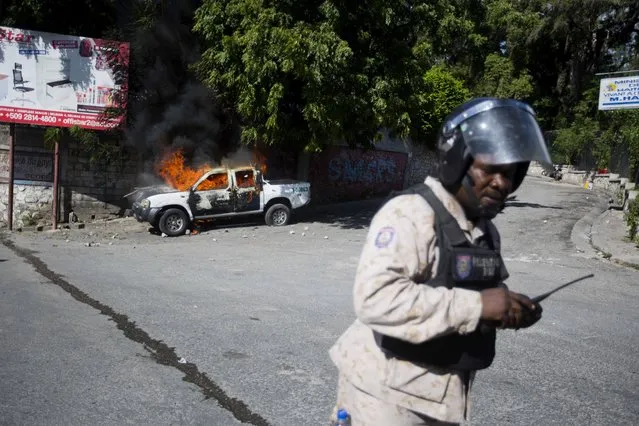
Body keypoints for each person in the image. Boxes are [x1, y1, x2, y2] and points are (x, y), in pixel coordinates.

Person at [329, 97, 553, 425]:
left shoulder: (485, 230)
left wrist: (508, 308)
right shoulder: (411, 213)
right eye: (491, 168)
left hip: (441, 396)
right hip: (382, 396)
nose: (502, 183)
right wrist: (478, 306)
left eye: (512, 173)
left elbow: (471, 289)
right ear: (457, 160)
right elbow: (375, 299)